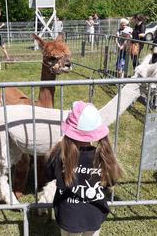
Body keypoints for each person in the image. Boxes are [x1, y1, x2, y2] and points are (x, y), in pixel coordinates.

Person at [46, 101, 124, 236]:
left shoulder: (58, 154)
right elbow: (111, 182)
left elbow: (49, 174)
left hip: (68, 214)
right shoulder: (104, 156)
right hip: (94, 213)